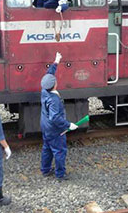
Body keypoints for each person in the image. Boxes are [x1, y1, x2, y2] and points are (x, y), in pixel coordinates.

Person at [40, 52, 78, 181]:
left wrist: (56, 61)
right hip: (55, 129)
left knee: (47, 148)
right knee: (59, 151)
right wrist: (68, 125)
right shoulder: (54, 99)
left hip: (45, 126)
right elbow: (55, 117)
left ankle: (45, 170)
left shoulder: (44, 90)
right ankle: (60, 174)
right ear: (55, 84)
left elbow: (49, 74)